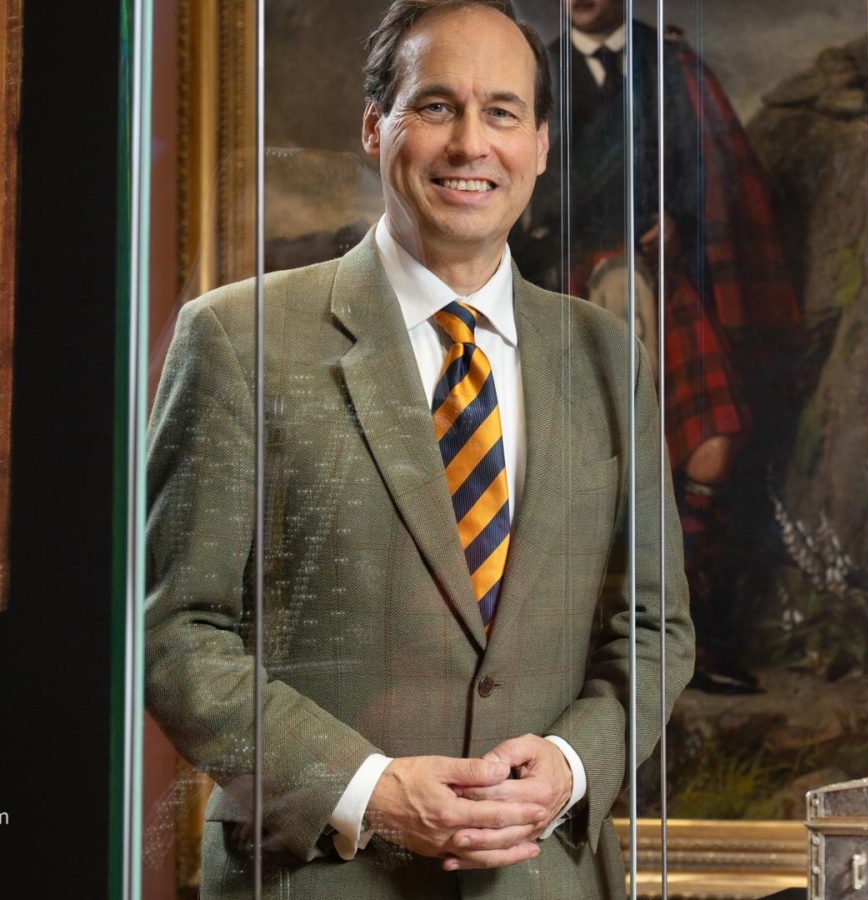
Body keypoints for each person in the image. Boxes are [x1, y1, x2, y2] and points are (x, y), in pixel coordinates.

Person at [143, 1, 694, 896]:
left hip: (547, 880)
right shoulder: (239, 339)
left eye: (503, 112)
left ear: (542, 144)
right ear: (375, 125)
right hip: (320, 876)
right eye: (436, 106)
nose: (471, 144)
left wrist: (571, 762)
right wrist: (367, 789)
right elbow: (175, 631)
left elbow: (656, 626)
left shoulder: (605, 359)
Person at [515, 0, 801, 694]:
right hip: (570, 296)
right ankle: (594, 652)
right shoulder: (531, 75)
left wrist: (681, 224)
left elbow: (721, 189)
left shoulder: (672, 65)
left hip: (666, 287)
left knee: (715, 440)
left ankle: (687, 631)